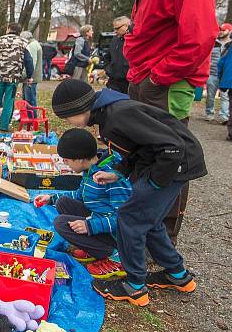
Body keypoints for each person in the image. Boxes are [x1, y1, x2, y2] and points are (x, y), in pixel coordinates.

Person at [109, 0, 217, 246]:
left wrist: (159, 76)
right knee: (146, 154)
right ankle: (140, 230)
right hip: (147, 76)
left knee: (170, 159)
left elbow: (199, 35)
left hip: (165, 82)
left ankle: (161, 240)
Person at [51, 79, 204, 306]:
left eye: (67, 117)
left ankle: (134, 286)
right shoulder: (108, 116)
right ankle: (178, 275)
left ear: (78, 109)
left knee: (129, 218)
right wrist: (119, 172)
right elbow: (137, 148)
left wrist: (153, 183)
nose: (68, 122)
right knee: (150, 221)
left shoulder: (117, 116)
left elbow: (172, 145)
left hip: (173, 165)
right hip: (166, 163)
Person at [33, 128, 132, 279]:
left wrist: (89, 226)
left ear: (79, 159)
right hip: (99, 220)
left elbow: (124, 219)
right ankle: (92, 246)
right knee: (62, 202)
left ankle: (116, 257)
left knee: (60, 223)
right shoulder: (90, 170)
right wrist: (51, 198)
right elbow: (79, 196)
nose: (64, 163)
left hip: (117, 237)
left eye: (66, 160)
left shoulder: (112, 177)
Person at [0, 22, 34, 132]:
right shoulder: (23, 42)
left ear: (8, 29)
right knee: (8, 101)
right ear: (19, 31)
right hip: (13, 77)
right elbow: (28, 60)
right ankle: (3, 126)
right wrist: (29, 75)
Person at [205, 23, 232, 123]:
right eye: (220, 30)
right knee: (210, 95)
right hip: (212, 73)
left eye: (223, 30)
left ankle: (224, 116)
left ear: (230, 31)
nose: (220, 32)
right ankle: (209, 113)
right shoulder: (213, 42)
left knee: (225, 96)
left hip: (226, 75)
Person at [105, 16, 130, 93]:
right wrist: (108, 70)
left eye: (117, 28)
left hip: (129, 83)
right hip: (114, 83)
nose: (115, 31)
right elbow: (107, 57)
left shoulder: (136, 41)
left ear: (126, 26)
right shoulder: (114, 40)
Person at [20, 30, 42, 111]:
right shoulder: (35, 43)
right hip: (31, 77)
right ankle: (26, 116)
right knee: (26, 98)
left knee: (29, 100)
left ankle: (31, 118)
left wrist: (24, 75)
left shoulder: (32, 45)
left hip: (31, 77)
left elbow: (31, 62)